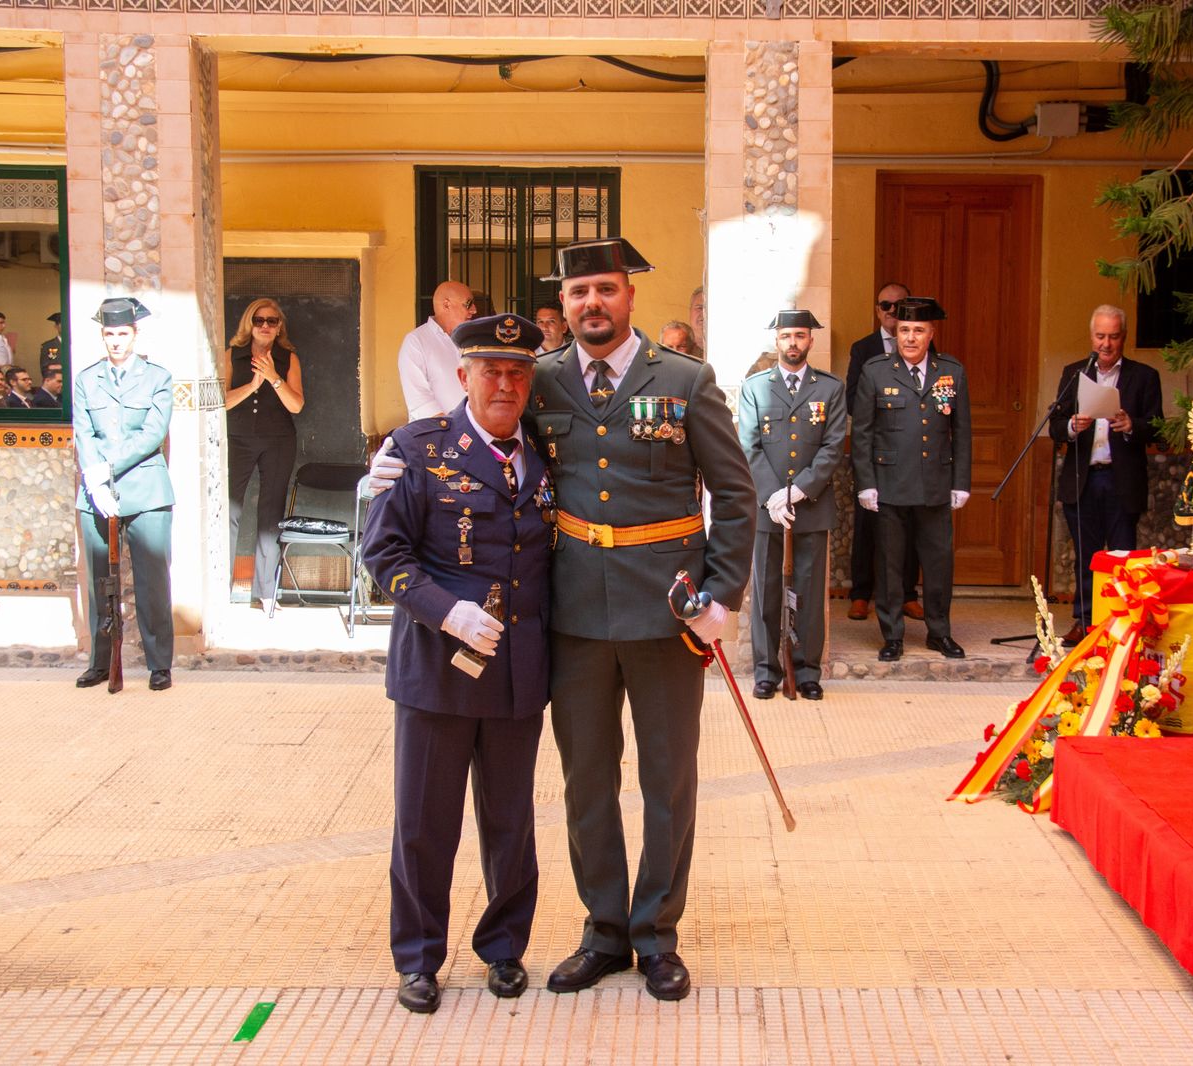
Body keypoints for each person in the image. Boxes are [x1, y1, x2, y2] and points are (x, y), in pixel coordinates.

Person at [532, 238, 754, 1002]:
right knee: (586, 782)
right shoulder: (541, 380)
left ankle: (656, 934)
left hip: (667, 614)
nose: (591, 302)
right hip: (574, 616)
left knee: (668, 780)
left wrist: (721, 596)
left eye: (605, 288)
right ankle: (603, 931)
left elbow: (736, 492)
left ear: (629, 296)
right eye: (578, 292)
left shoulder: (686, 380)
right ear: (564, 304)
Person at [361, 313, 551, 1015]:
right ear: (463, 376)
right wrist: (446, 611)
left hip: (516, 670)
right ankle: (418, 959)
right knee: (424, 823)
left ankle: (504, 947)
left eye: (518, 372)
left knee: (511, 824)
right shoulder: (417, 449)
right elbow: (383, 553)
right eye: (491, 371)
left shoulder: (545, 452)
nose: (505, 384)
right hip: (437, 670)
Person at [851, 296, 971, 662]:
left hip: (935, 484)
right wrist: (866, 483)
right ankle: (892, 636)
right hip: (889, 484)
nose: (910, 338)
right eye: (904, 330)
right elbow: (862, 433)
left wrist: (961, 481)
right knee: (889, 565)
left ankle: (940, 632)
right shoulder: (875, 371)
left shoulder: (951, 371)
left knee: (938, 564)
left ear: (931, 333)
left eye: (919, 330)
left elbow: (962, 431)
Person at [737, 309, 846, 701]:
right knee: (766, 591)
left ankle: (807, 671)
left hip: (810, 506)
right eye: (786, 336)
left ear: (810, 341)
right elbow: (748, 445)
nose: (793, 343)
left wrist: (798, 490)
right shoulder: (755, 388)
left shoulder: (830, 388)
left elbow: (833, 445)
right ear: (777, 341)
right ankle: (767, 671)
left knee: (810, 592)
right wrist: (772, 495)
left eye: (800, 336)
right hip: (768, 509)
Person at [72, 297, 175, 692]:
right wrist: (94, 479)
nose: (115, 341)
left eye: (122, 333)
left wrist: (107, 467)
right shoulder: (86, 380)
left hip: (146, 490)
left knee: (153, 582)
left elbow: (152, 434)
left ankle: (159, 664)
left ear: (135, 334)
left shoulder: (157, 377)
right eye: (109, 334)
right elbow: (84, 432)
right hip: (96, 492)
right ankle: (100, 662)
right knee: (99, 582)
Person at [1048, 305, 1163, 644]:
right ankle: (1085, 622)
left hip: (1121, 479)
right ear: (1091, 337)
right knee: (1086, 556)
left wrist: (1132, 425)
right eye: (1100, 336)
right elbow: (1055, 425)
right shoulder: (1075, 373)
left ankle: (1123, 624)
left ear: (1123, 337)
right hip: (1083, 479)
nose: (1106, 344)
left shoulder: (1144, 376)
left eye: (1113, 336)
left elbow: (1157, 426)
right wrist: (1072, 425)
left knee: (1123, 557)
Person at [223, 299, 306, 615]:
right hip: (238, 439)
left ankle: (266, 591)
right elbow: (221, 401)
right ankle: (220, 587)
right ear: (250, 323)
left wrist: (273, 377)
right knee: (229, 509)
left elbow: (296, 405)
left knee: (271, 514)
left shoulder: (288, 358)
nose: (266, 326)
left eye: (272, 320)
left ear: (279, 326)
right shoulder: (233, 355)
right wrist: (252, 385)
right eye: (259, 320)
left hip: (278, 441)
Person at [844, 281, 921, 623]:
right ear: (877, 310)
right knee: (867, 523)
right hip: (873, 449)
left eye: (898, 305)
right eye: (885, 305)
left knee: (911, 522)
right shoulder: (863, 349)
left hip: (911, 452)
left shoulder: (922, 346)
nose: (891, 311)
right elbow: (852, 399)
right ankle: (861, 594)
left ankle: (908, 594)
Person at [398, 281, 478, 420]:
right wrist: (452, 429)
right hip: (435, 431)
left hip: (473, 429)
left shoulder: (471, 340)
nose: (474, 310)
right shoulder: (416, 342)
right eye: (468, 304)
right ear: (446, 305)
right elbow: (419, 401)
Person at [39, 312, 63, 379]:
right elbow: (46, 368)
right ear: (56, 326)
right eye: (62, 324)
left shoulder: (77, 345)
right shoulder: (50, 346)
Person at [688, 286, 707, 359]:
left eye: (710, 309)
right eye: (700, 308)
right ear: (690, 311)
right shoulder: (676, 348)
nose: (705, 314)